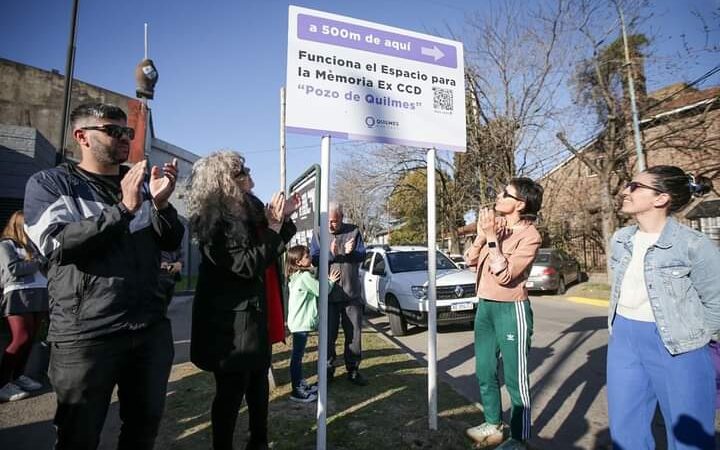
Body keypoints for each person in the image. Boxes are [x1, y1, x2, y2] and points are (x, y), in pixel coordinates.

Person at [23, 102, 185, 449]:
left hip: (147, 329)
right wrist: (124, 209)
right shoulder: (51, 183)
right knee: (78, 437)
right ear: (82, 136)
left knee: (143, 428)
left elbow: (170, 240)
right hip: (87, 335)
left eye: (127, 131)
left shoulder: (137, 185)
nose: (124, 138)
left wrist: (161, 204)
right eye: (112, 131)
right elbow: (58, 244)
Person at [187, 151, 298, 450]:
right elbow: (247, 264)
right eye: (240, 171)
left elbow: (272, 246)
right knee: (231, 391)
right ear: (224, 181)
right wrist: (274, 228)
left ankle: (258, 441)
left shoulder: (251, 206)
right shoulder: (211, 220)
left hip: (256, 315)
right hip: (229, 325)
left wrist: (283, 218)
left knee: (259, 384)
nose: (248, 173)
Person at [606, 165, 720, 450]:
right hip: (624, 339)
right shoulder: (620, 240)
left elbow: (716, 302)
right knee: (625, 430)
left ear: (661, 198)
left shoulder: (694, 245)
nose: (625, 191)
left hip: (680, 346)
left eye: (635, 186)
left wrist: (694, 339)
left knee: (688, 436)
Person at [463, 178, 544, 450]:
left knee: (515, 378)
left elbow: (506, 275)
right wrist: (482, 236)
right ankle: (492, 424)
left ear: (520, 204)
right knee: (484, 370)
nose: (498, 195)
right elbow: (469, 260)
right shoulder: (494, 227)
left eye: (505, 194)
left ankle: (519, 439)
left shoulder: (530, 235)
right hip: (485, 306)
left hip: (512, 309)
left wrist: (493, 240)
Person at [310, 202, 367, 386]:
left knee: (354, 334)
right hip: (329, 295)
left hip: (351, 294)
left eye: (334, 221)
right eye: (327, 221)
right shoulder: (319, 233)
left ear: (342, 218)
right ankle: (327, 369)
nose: (330, 225)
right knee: (328, 335)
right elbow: (315, 258)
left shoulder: (354, 231)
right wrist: (330, 253)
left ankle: (353, 369)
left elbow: (362, 255)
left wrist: (351, 252)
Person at [0, 211, 49, 402]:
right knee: (21, 338)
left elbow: (44, 268)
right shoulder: (6, 245)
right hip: (18, 295)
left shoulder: (33, 248)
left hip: (39, 295)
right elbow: (12, 270)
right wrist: (37, 263)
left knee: (30, 340)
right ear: (18, 226)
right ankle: (2, 383)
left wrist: (40, 261)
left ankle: (18, 377)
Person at [286, 244, 340, 403]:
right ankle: (297, 390)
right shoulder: (304, 277)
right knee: (297, 357)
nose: (310, 257)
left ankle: (300, 384)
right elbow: (321, 291)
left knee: (297, 356)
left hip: (297, 322)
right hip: (300, 323)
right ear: (298, 262)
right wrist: (330, 281)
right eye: (307, 256)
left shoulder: (296, 276)